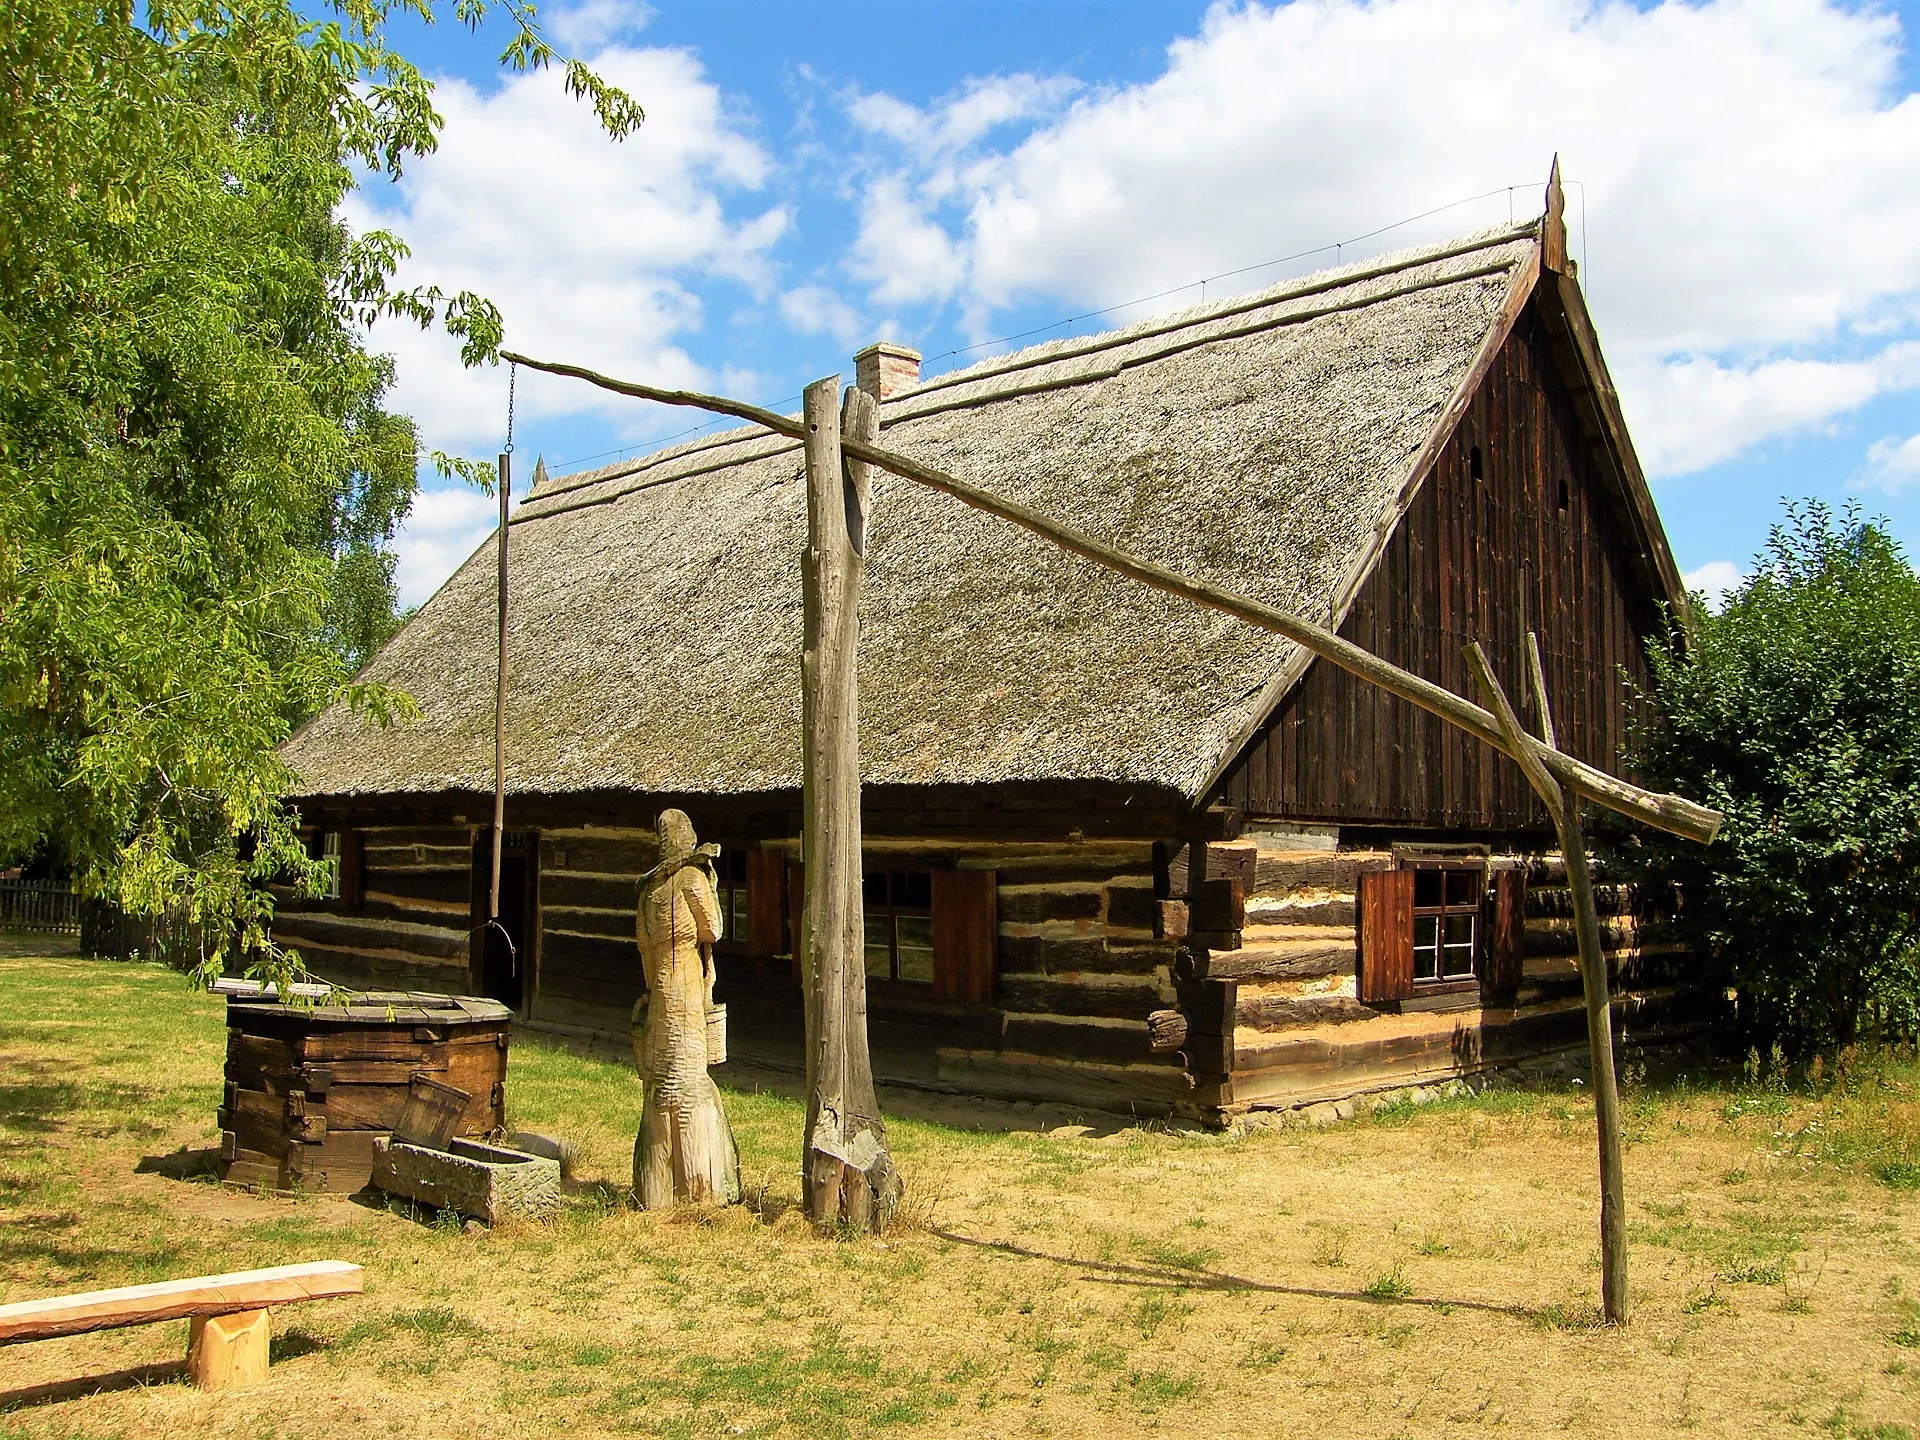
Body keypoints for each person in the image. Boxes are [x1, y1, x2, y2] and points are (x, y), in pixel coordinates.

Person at [630, 809, 740, 1207]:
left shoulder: (648, 894)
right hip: (688, 987)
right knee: (688, 1083)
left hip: (658, 987)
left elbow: (644, 947)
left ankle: (657, 1186)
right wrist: (708, 883)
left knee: (660, 1078)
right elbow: (713, 928)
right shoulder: (690, 880)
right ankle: (697, 1184)